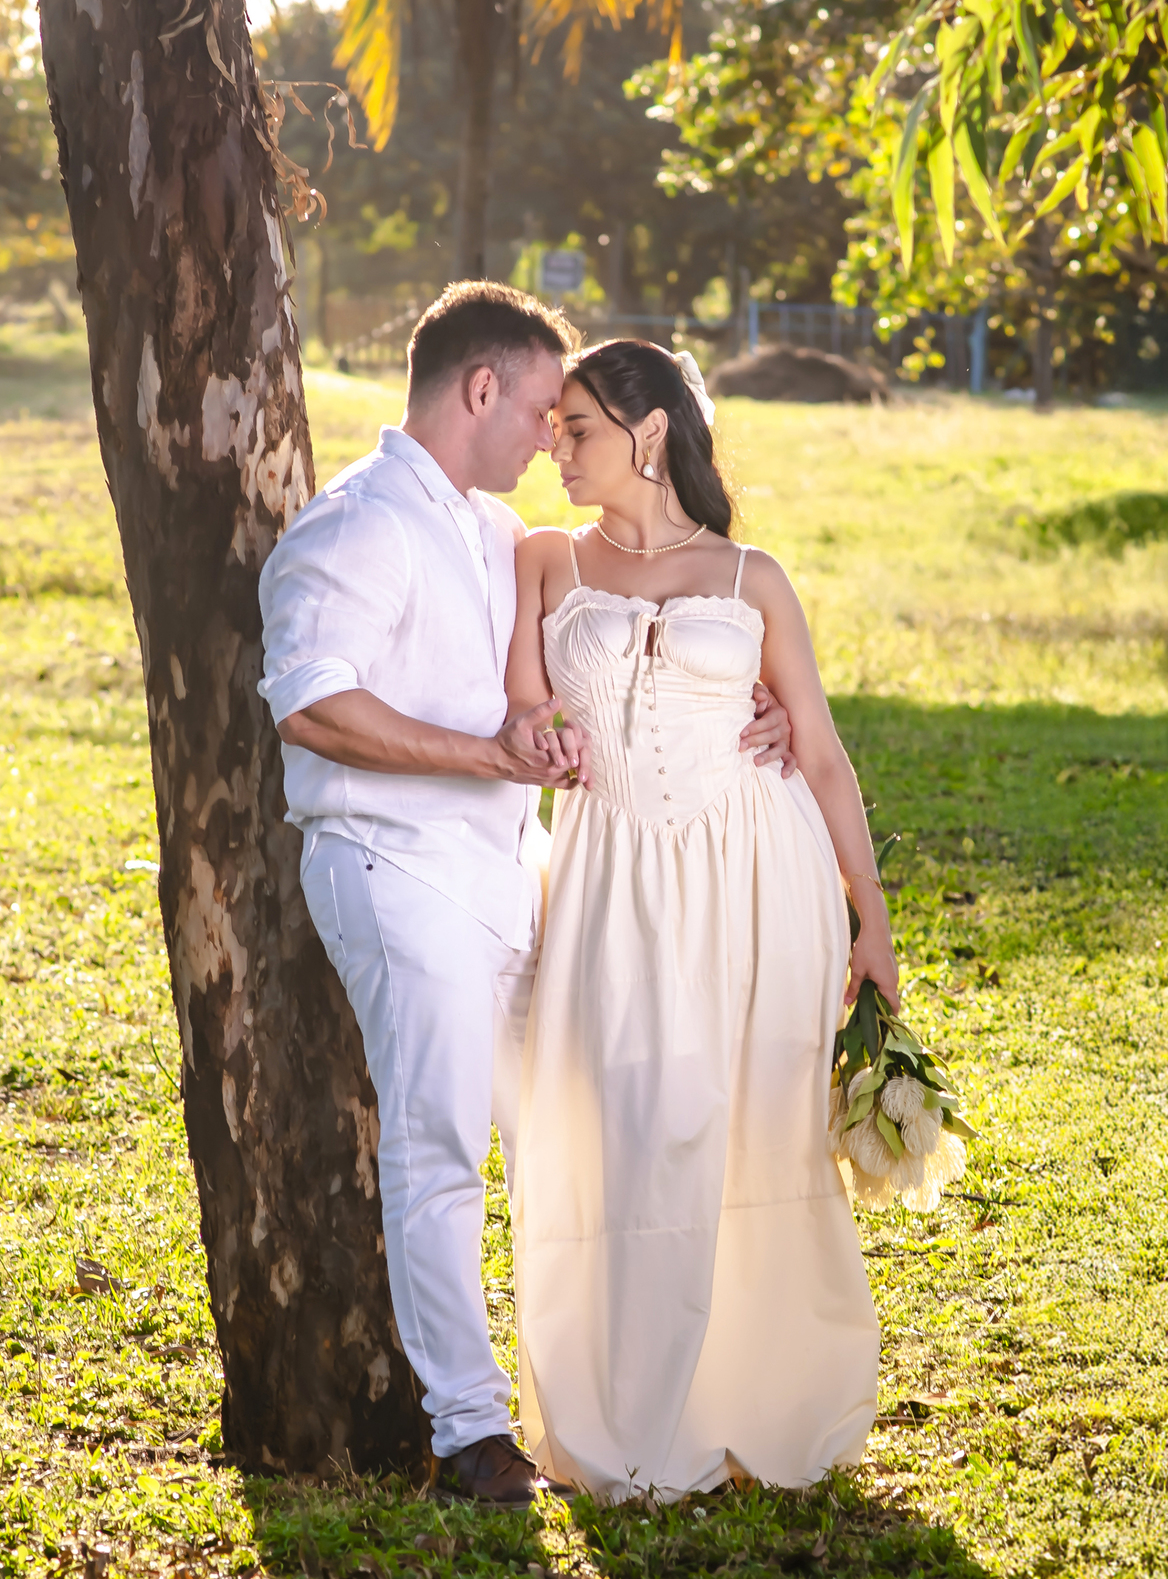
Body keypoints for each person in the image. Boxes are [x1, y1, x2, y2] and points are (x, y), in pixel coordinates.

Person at [257, 284, 795, 1504]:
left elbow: (599, 649)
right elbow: (312, 704)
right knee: (440, 1141)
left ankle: (611, 1398)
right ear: (481, 387)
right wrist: (487, 759)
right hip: (395, 868)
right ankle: (469, 1433)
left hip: (510, 876)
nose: (556, 437)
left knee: (572, 1131)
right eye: (546, 408)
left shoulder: (497, 531)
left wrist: (739, 698)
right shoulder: (354, 527)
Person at [506, 338, 901, 1501]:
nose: (557, 446)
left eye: (578, 427)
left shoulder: (751, 577)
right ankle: (630, 1418)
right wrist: (540, 736)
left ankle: (759, 1402)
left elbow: (820, 756)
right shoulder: (542, 560)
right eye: (554, 426)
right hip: (612, 876)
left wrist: (870, 921)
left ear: (649, 432)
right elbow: (522, 709)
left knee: (755, 1124)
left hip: (757, 870)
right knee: (630, 1127)